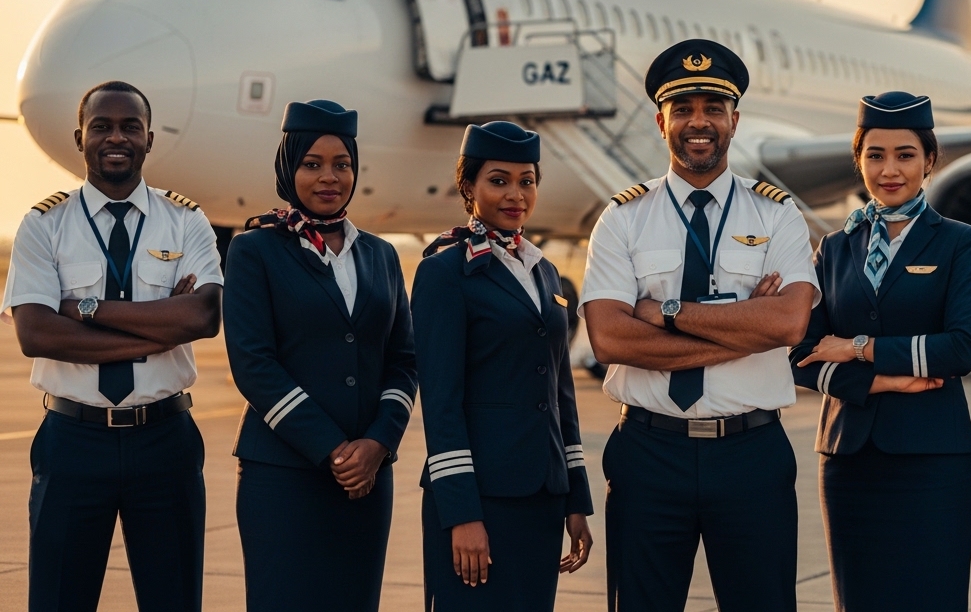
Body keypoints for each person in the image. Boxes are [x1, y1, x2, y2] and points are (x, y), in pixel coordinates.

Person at [579, 39, 819, 612]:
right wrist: (742, 329)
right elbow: (610, 338)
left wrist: (662, 315)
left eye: (713, 108)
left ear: (734, 120)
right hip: (648, 452)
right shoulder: (622, 219)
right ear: (661, 121)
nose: (698, 123)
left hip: (751, 454)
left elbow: (788, 323)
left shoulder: (777, 213)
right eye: (682, 109)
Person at [2, 80, 223, 612]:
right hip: (72, 442)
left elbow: (203, 315)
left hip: (165, 441)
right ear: (80, 137)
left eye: (130, 126)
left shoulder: (187, 220)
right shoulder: (43, 225)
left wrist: (82, 309)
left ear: (149, 139)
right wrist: (156, 325)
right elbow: (35, 333)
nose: (115, 137)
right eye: (101, 126)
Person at [789, 91, 971, 610]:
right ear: (858, 160)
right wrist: (881, 379)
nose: (889, 169)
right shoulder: (834, 247)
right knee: (858, 599)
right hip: (847, 458)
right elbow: (802, 355)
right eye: (875, 155)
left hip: (932, 461)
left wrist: (859, 348)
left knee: (933, 598)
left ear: (929, 161)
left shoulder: (959, 242)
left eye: (905, 155)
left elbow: (962, 347)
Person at [222, 99, 417, 612]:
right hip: (283, 475)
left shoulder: (381, 255)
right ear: (289, 168)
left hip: (368, 479)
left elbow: (403, 360)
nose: (329, 177)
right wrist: (335, 449)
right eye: (312, 164)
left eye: (342, 164)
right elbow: (253, 363)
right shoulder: (254, 251)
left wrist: (378, 443)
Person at [412, 120, 593, 611]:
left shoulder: (544, 270)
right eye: (498, 180)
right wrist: (462, 514)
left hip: (542, 496)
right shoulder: (444, 272)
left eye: (526, 180)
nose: (515, 194)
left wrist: (576, 497)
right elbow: (441, 402)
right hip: (481, 499)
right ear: (467, 187)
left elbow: (560, 394)